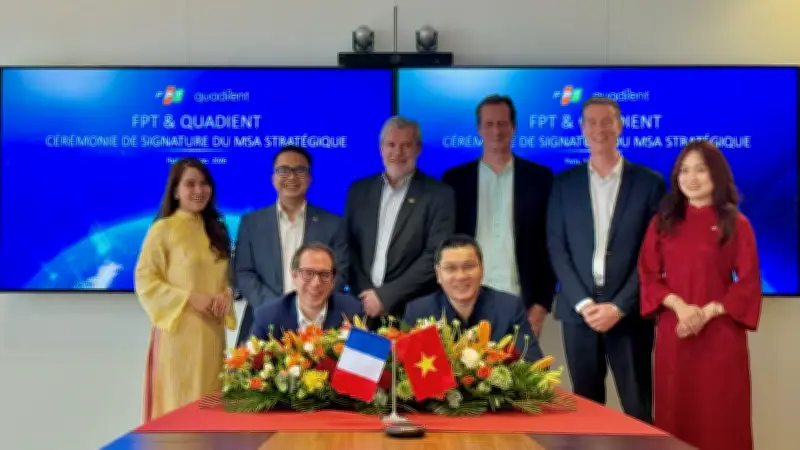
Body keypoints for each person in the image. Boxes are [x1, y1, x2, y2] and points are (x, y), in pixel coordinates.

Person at [547, 97, 664, 423]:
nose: (599, 129)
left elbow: (654, 254)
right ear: (582, 128)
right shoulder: (564, 183)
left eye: (607, 121)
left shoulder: (649, 183)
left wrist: (619, 306)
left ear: (620, 126)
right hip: (579, 314)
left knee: (638, 408)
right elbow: (556, 247)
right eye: (592, 122)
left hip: (629, 313)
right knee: (586, 409)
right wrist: (584, 303)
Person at [638, 140, 762, 450]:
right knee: (675, 415)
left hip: (719, 336)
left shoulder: (736, 224)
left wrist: (706, 313)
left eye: (700, 170)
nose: (691, 178)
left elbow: (748, 283)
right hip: (675, 333)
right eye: (684, 170)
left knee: (721, 418)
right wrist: (680, 306)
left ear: (716, 174)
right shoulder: (662, 223)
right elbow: (648, 274)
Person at [442, 95, 555, 337]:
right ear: (479, 129)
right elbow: (443, 245)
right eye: (489, 124)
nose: (496, 131)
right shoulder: (454, 181)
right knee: (463, 363)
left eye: (502, 123)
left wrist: (541, 306)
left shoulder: (540, 179)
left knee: (518, 364)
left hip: (520, 303)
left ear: (513, 127)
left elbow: (550, 246)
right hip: (464, 300)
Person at [134, 157, 237, 422]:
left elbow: (225, 277)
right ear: (176, 191)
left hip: (212, 335)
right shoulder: (163, 230)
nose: (198, 190)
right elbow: (145, 279)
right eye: (190, 184)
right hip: (178, 336)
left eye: (204, 183)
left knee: (211, 408)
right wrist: (189, 297)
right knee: (178, 409)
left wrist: (227, 294)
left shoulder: (217, 230)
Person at [342, 116, 456, 325]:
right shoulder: (358, 191)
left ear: (418, 149)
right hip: (362, 308)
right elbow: (347, 247)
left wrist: (385, 296)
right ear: (381, 148)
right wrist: (366, 294)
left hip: (413, 312)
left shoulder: (440, 195)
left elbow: (435, 255)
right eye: (391, 145)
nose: (397, 152)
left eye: (406, 145)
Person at [234, 145, 347, 345]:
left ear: (310, 178)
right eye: (283, 170)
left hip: (318, 326)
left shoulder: (333, 224)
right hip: (263, 324)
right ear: (273, 178)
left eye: (300, 170)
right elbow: (244, 273)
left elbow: (340, 272)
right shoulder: (251, 223)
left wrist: (308, 306)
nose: (292, 177)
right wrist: (280, 310)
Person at [404, 235, 544, 361]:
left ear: (482, 269)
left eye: (469, 266)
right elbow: (407, 369)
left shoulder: (509, 307)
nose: (461, 276)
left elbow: (534, 364)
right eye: (450, 268)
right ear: (438, 274)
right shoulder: (418, 311)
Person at [250, 243, 363, 341]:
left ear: (333, 279)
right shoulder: (268, 317)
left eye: (324, 275)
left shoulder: (353, 312)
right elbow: (249, 357)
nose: (316, 283)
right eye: (308, 273)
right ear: (294, 276)